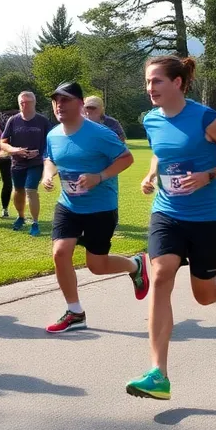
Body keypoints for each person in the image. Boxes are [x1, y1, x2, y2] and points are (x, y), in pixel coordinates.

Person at [125, 56, 216, 400]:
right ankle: (158, 373)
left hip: (206, 218)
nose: (150, 88)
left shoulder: (204, 118)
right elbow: (160, 152)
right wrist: (152, 174)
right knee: (162, 273)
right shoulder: (152, 120)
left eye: (157, 81)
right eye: (148, 82)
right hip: (167, 212)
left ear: (178, 83)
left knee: (204, 294)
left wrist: (208, 175)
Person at [40, 82, 144, 333]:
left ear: (79, 103)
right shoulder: (53, 134)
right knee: (60, 252)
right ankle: (75, 312)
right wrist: (48, 174)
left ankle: (135, 266)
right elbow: (51, 159)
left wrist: (99, 176)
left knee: (96, 266)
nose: (59, 105)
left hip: (100, 207)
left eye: (65, 100)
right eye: (56, 101)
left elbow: (126, 158)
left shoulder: (99, 133)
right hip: (69, 205)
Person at [0, 91, 53, 237]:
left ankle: (35, 223)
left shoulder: (42, 121)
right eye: (22, 102)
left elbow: (52, 140)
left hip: (36, 162)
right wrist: (15, 150)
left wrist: (41, 153)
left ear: (34, 103)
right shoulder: (13, 121)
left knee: (30, 190)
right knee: (18, 191)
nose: (25, 105)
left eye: (28, 102)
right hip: (17, 163)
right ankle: (21, 216)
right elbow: (3, 143)